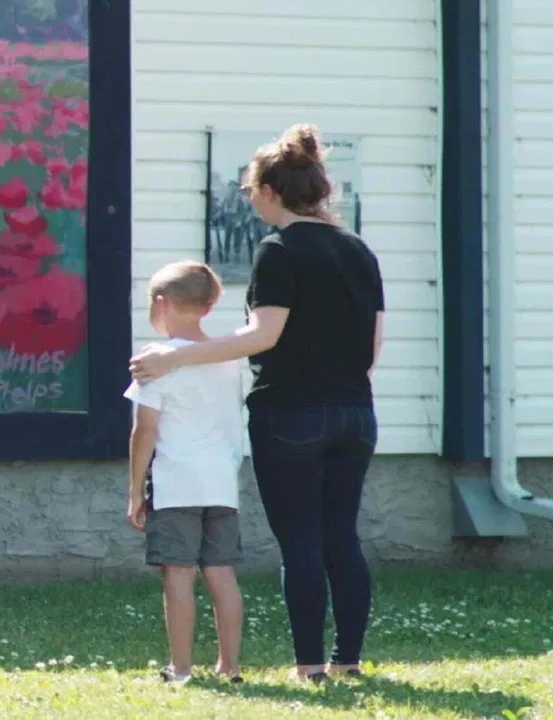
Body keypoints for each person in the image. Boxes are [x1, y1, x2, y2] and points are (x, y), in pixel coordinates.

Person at [129, 124, 385, 685]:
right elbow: (373, 345)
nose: (248, 200)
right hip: (355, 412)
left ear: (271, 191)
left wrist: (176, 358)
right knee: (342, 537)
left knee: (302, 542)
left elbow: (263, 335)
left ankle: (310, 665)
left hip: (291, 413)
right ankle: (347, 659)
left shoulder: (278, 250)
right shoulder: (358, 249)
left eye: (250, 191)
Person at [123, 260, 246, 685]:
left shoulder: (155, 361)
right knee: (221, 572)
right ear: (208, 307)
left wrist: (135, 490)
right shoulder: (226, 360)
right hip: (221, 482)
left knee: (178, 573)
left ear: (162, 303)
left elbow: (145, 430)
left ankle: (180, 667)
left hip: (176, 483)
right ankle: (230, 666)